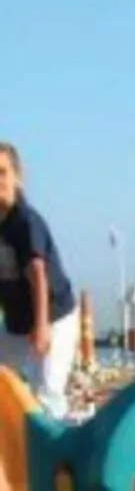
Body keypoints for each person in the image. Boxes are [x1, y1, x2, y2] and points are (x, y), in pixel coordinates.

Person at [0, 143, 78, 419]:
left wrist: (43, 326)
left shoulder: (25, 222)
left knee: (46, 392)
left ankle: (52, 458)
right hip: (18, 323)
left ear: (17, 177)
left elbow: (38, 273)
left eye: (2, 173)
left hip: (54, 316)